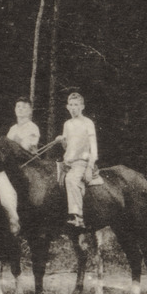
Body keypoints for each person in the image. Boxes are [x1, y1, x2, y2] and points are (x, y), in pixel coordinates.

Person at [56, 91, 98, 230]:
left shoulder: (88, 123)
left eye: (76, 105)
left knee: (71, 180)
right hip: (67, 162)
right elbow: (67, 146)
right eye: (71, 105)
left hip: (81, 162)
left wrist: (90, 166)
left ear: (82, 107)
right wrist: (62, 141)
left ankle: (78, 216)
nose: (73, 108)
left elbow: (93, 147)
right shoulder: (67, 124)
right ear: (67, 107)